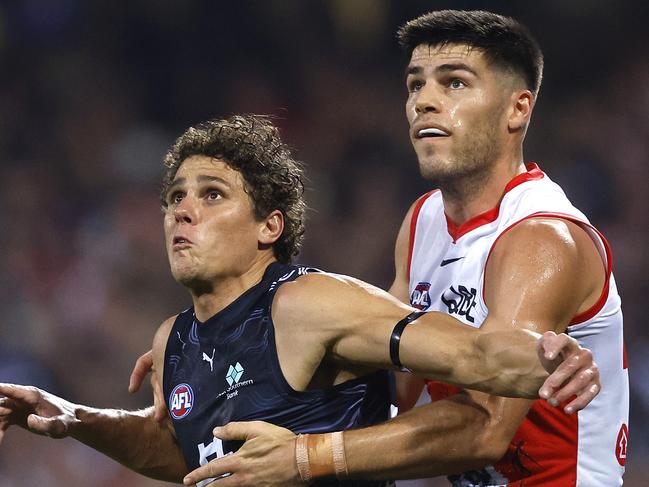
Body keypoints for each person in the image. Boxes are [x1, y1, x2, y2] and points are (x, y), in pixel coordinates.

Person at [140, 10, 628, 487]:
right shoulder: (423, 221)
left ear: (518, 109)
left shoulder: (541, 239)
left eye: (454, 83)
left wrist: (307, 457)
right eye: (416, 84)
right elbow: (392, 382)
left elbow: (484, 429)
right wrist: (207, 356)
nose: (425, 102)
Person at [0, 115, 598, 487]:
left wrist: (550, 362)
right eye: (175, 197)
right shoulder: (174, 339)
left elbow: (471, 358)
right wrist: (75, 418)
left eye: (211, 195)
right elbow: (186, 457)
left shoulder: (311, 303)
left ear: (269, 227)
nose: (182, 211)